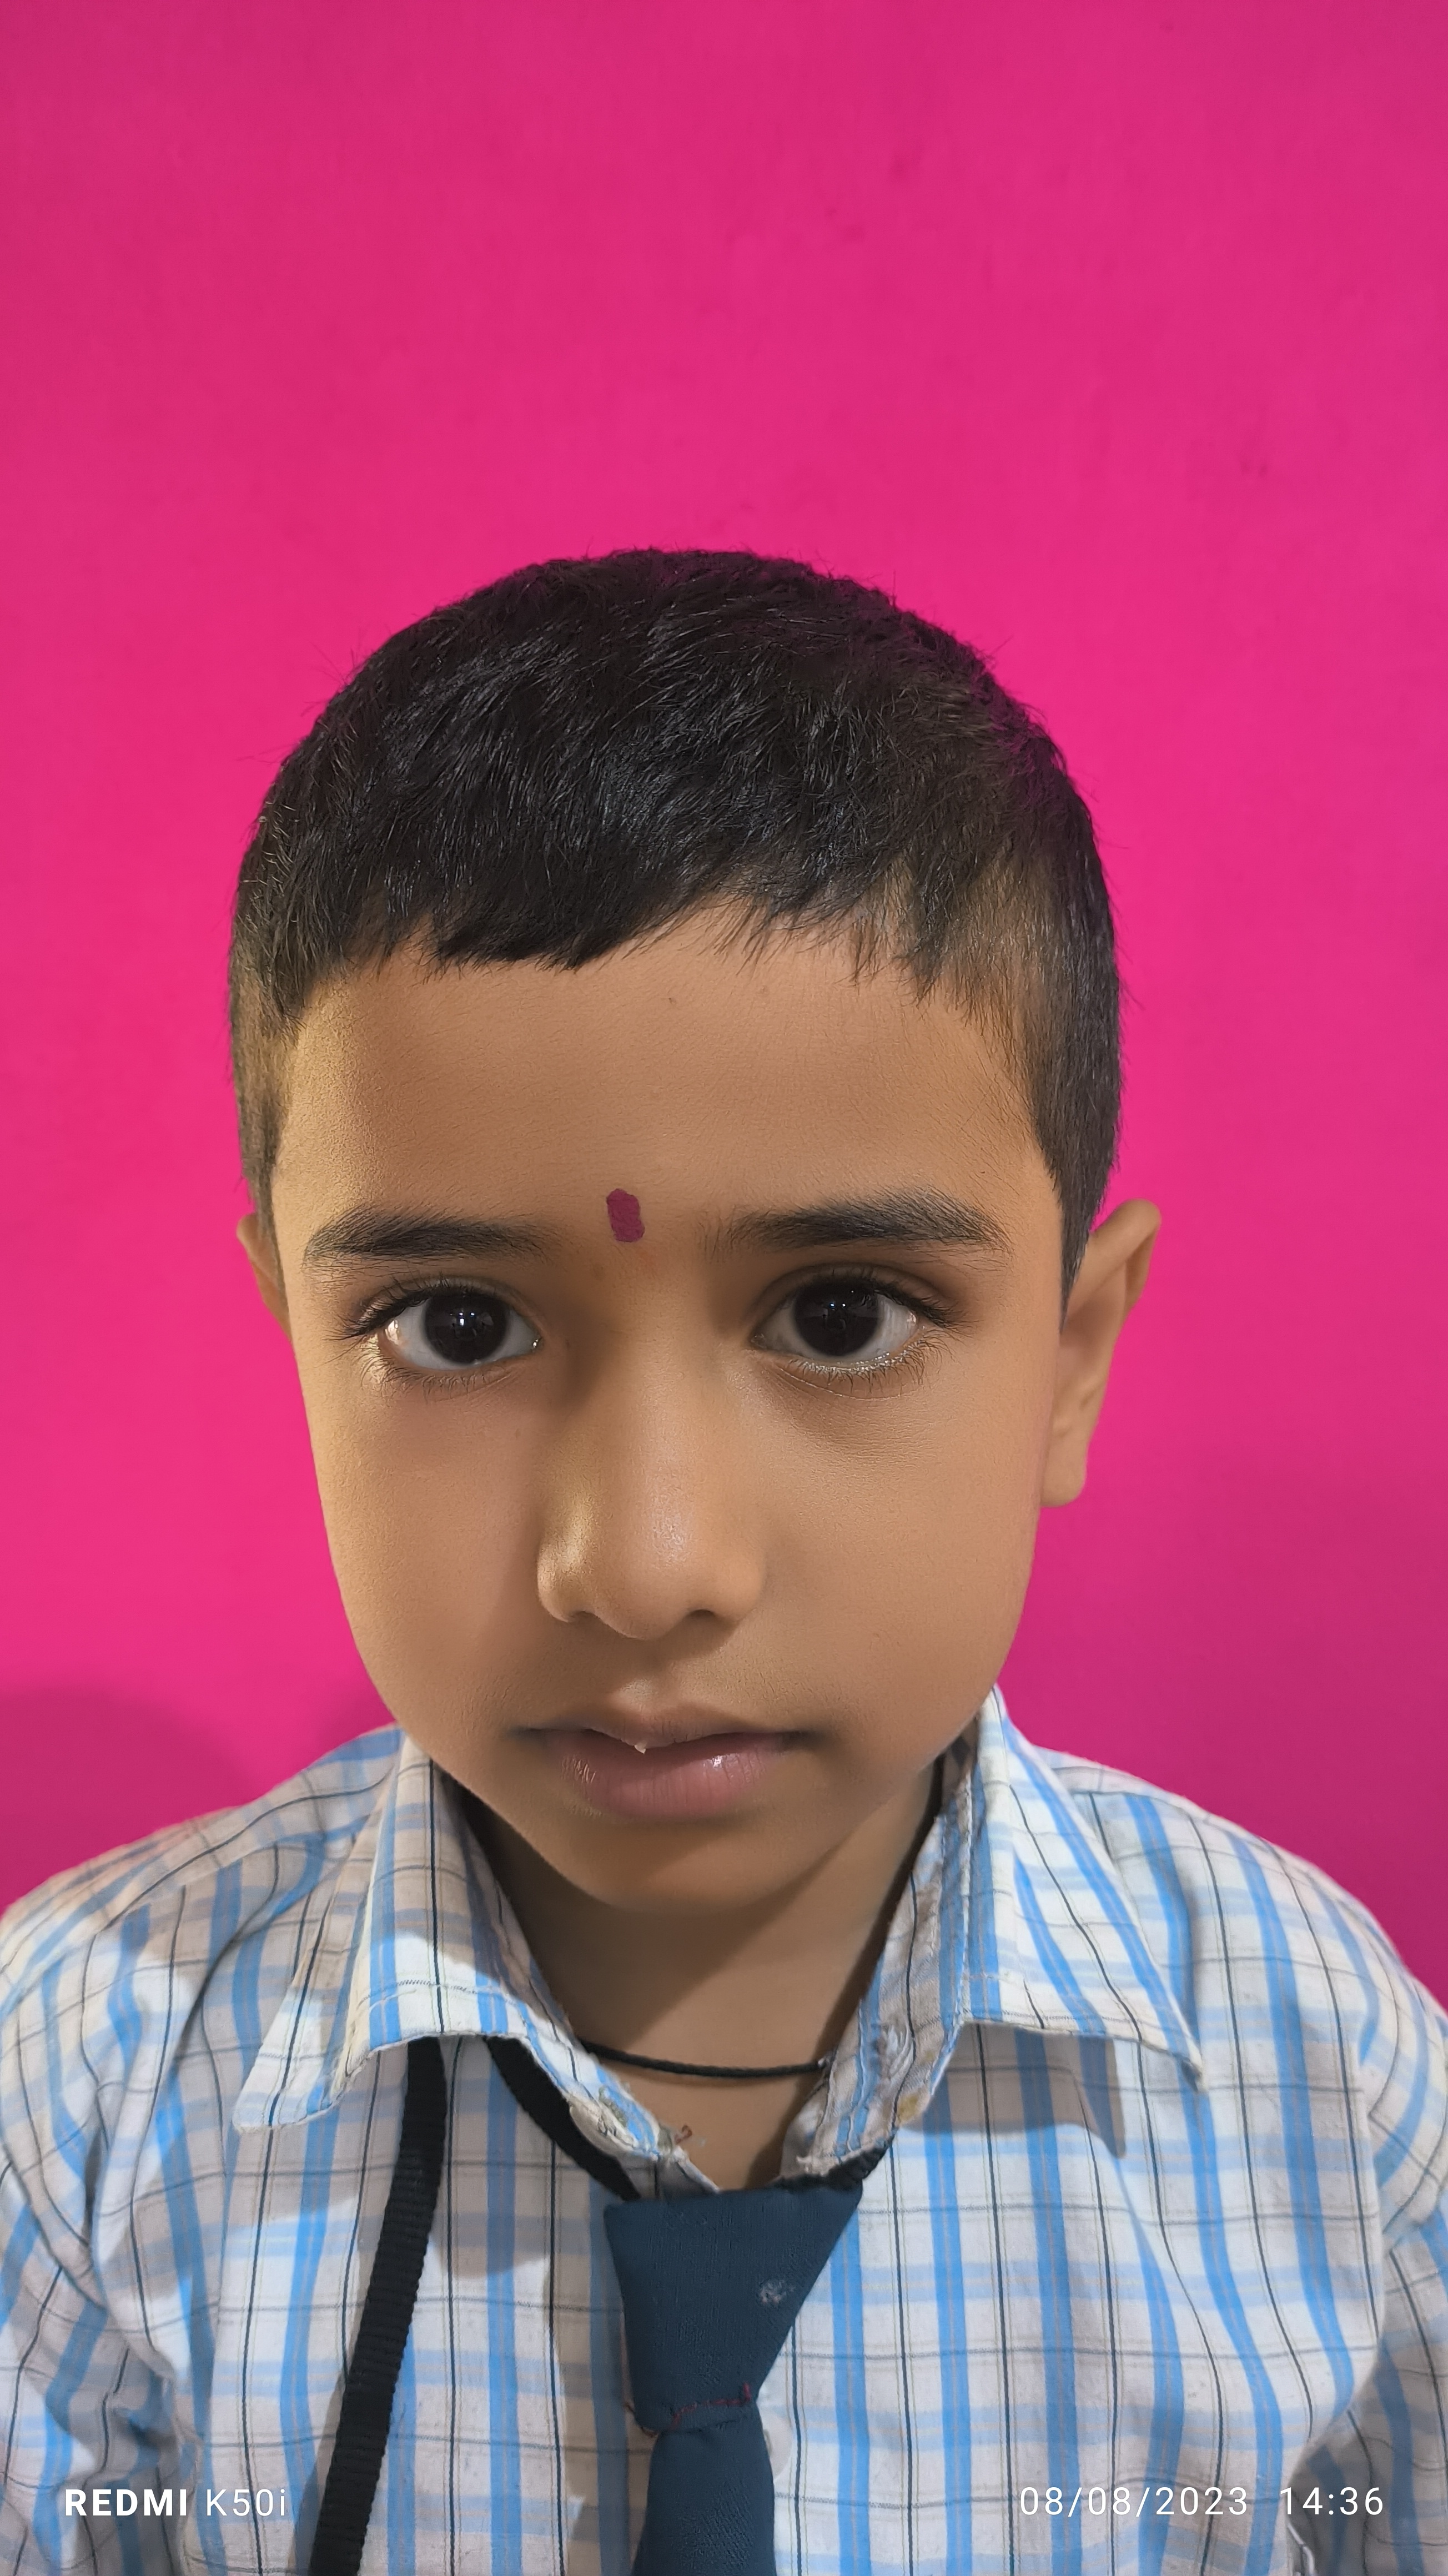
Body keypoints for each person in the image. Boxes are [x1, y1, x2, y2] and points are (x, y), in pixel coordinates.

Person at [1, 553, 1444, 2576]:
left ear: (1072, 1360)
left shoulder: (1331, 2085)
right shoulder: (73, 2107)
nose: (648, 1567)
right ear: (295, 1342)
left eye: (843, 1315)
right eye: (456, 1327)